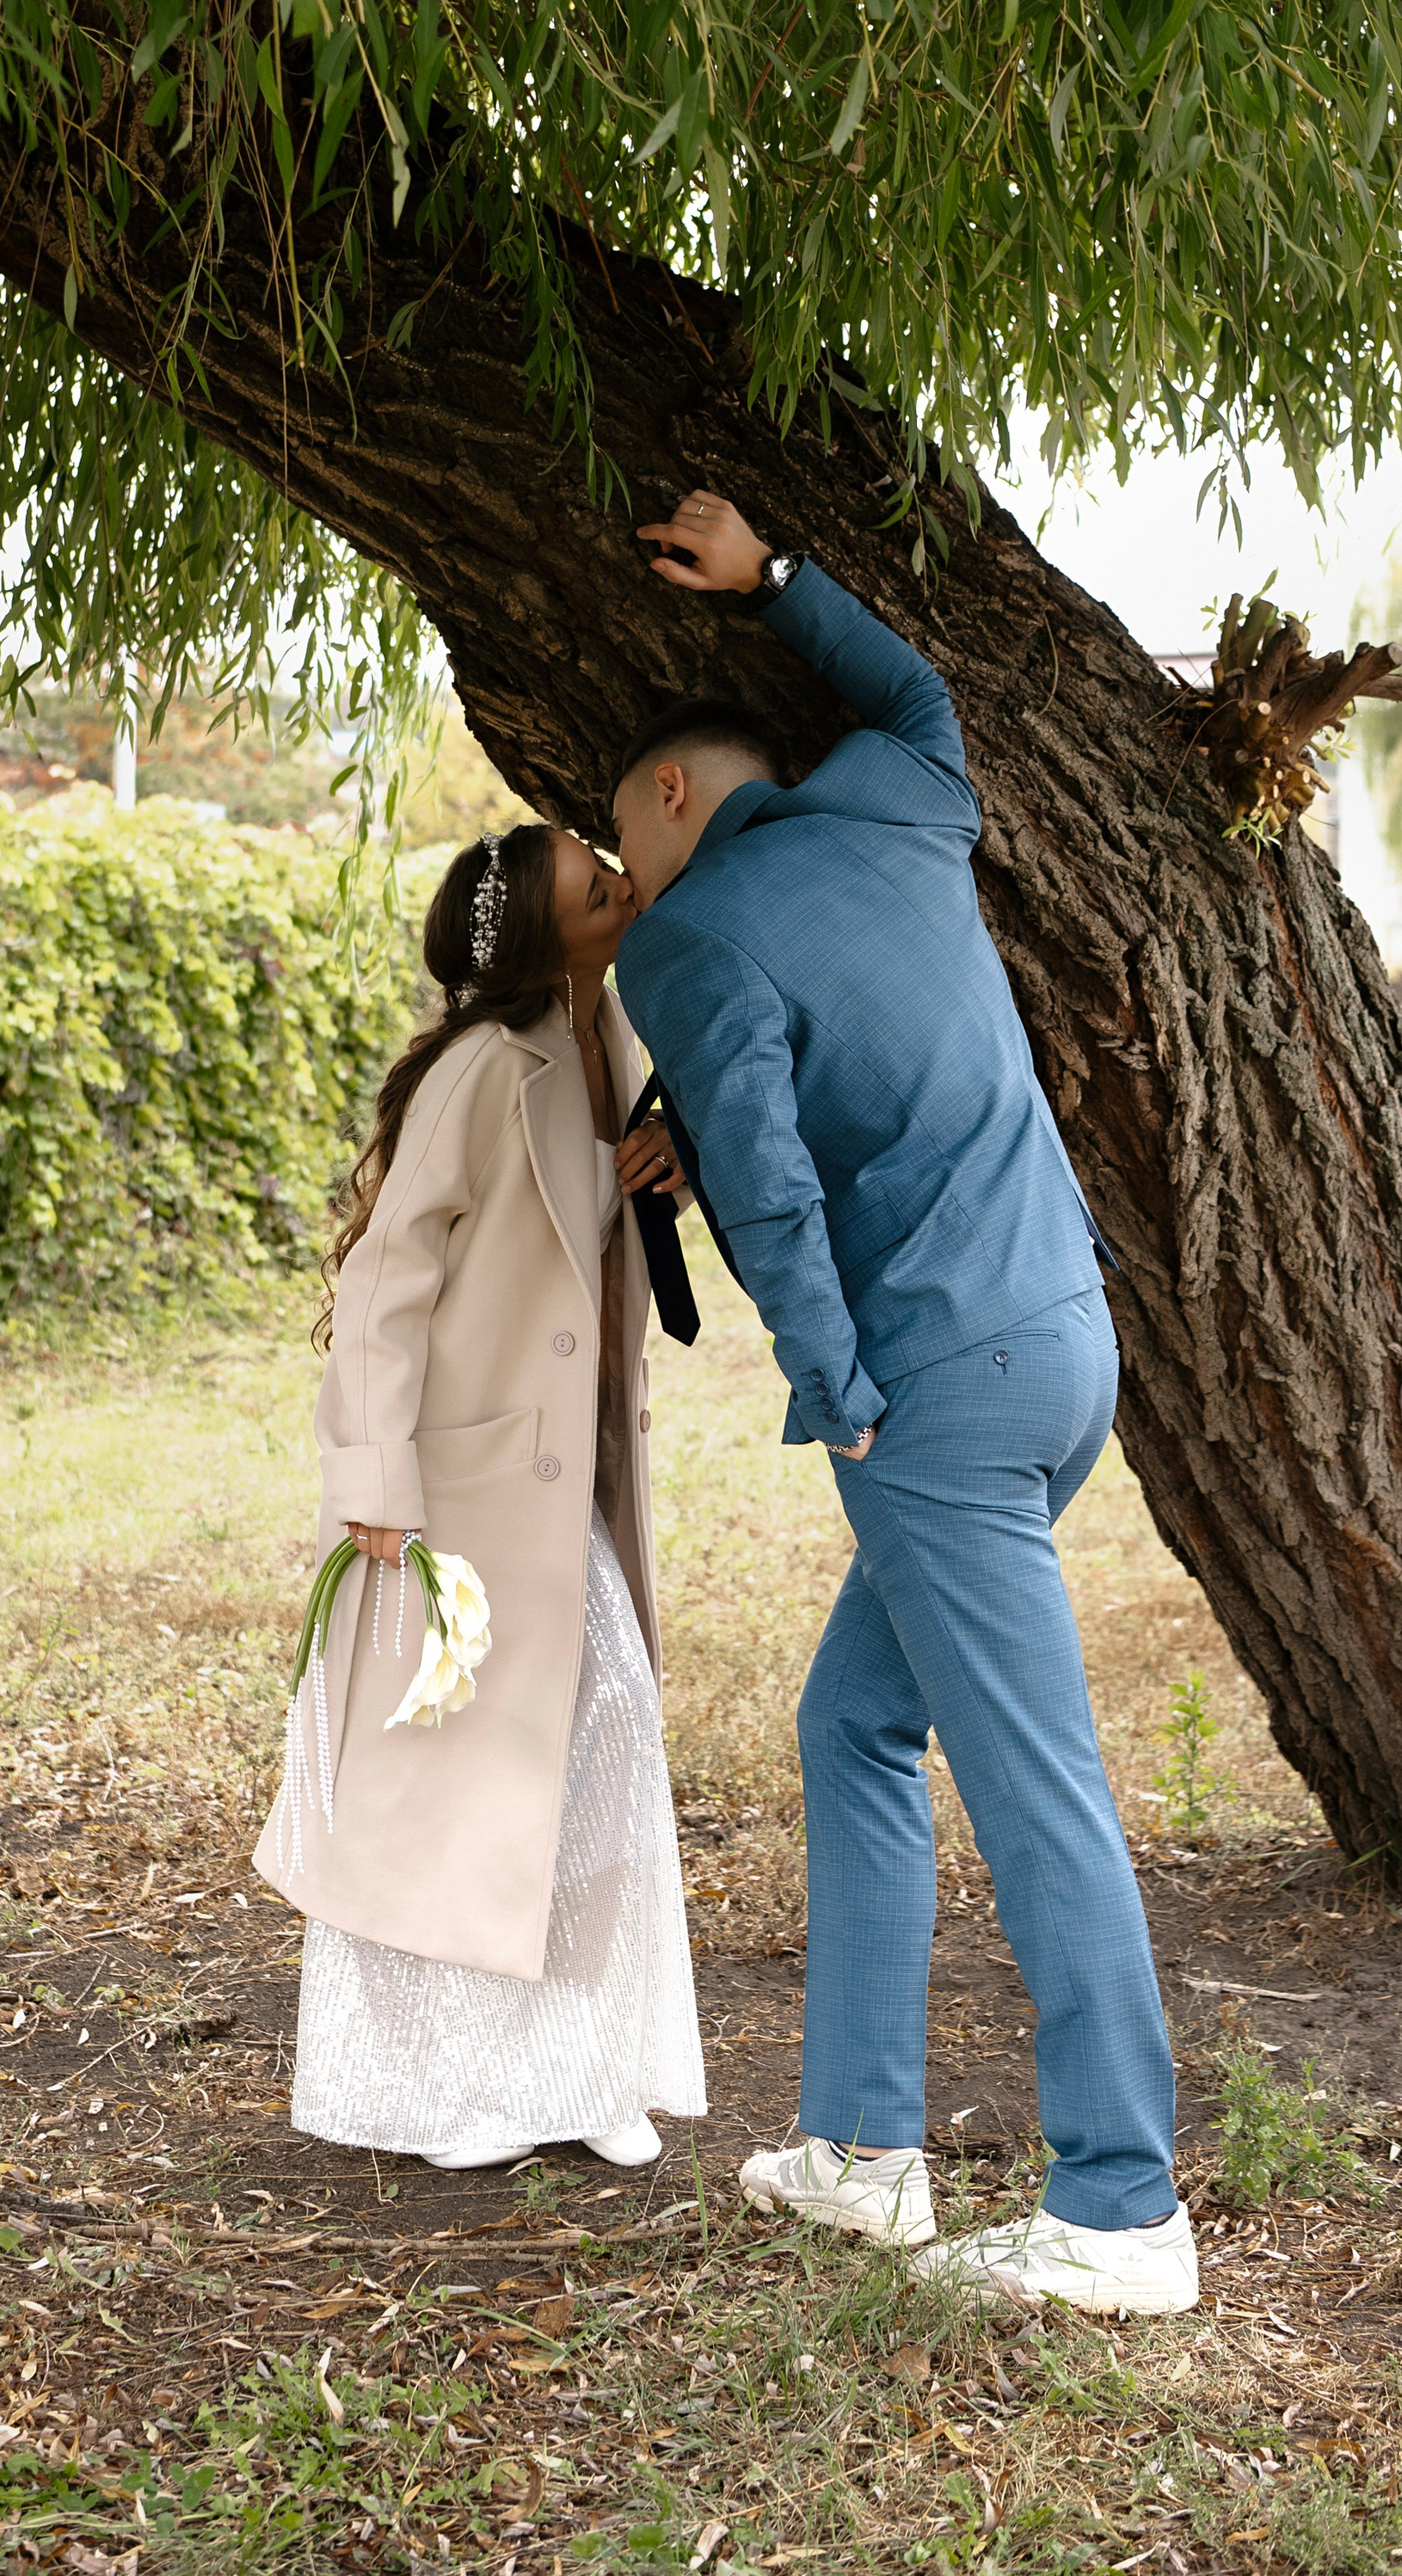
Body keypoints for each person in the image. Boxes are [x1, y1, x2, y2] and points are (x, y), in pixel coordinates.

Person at [610, 491, 1195, 2317]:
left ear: (677, 798)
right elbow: (917, 687)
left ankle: (1122, 2210)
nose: (623, 877)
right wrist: (772, 577)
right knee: (853, 1720)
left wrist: (835, 1385)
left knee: (1034, 1779)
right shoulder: (906, 798)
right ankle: (861, 2151)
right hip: (1061, 1345)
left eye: (624, 840)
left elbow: (773, 1187)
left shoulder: (681, 943)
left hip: (933, 1390)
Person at [254, 821, 706, 2173]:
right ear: (545, 937)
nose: (618, 882)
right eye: (592, 885)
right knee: (459, 1785)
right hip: (460, 1487)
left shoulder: (610, 1039)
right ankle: (448, 2094)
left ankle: (583, 2068)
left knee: (595, 1743)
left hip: (566, 1474)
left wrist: (664, 1167)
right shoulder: (480, 1069)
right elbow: (384, 1281)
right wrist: (374, 1476)